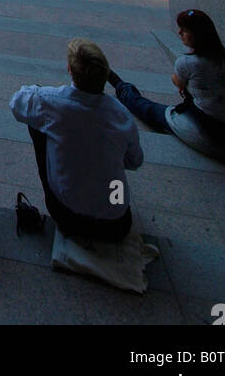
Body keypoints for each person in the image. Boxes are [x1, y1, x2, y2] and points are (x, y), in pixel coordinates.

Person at [10, 38, 142, 242]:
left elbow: (17, 102)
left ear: (70, 70)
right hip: (117, 223)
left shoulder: (52, 102)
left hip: (68, 216)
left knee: (37, 119)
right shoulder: (121, 115)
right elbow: (134, 161)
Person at [107, 9, 225, 161]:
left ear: (199, 35)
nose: (180, 33)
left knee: (150, 110)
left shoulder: (188, 62)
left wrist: (186, 85)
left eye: (185, 30)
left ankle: (121, 86)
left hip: (217, 137)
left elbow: (177, 81)